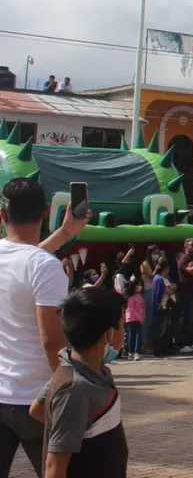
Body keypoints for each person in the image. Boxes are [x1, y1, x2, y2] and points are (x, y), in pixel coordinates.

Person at [0, 178, 87, 476]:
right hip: (37, 400)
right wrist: (68, 392)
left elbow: (24, 258)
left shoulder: (31, 262)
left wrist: (63, 234)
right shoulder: (45, 267)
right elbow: (52, 341)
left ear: (3, 215)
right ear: (46, 211)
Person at [29, 287, 128, 477]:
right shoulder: (76, 389)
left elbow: (37, 409)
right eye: (122, 325)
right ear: (108, 334)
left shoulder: (77, 368)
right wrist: (69, 428)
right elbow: (54, 468)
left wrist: (75, 429)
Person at [123, 280, 145, 361]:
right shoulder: (131, 297)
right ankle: (131, 352)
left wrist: (142, 316)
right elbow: (131, 309)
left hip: (139, 319)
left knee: (139, 336)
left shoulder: (140, 296)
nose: (140, 286)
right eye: (138, 285)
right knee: (132, 336)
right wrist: (139, 318)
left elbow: (142, 308)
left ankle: (136, 352)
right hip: (131, 319)